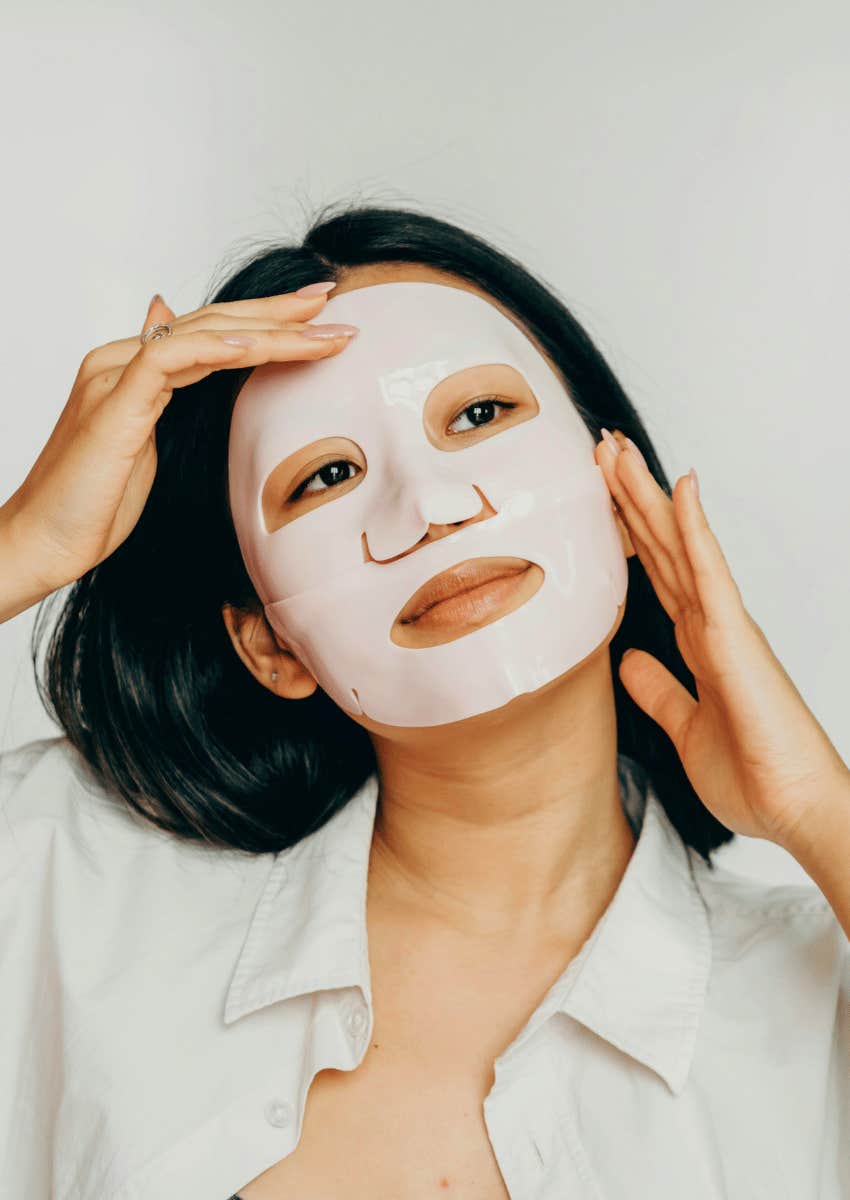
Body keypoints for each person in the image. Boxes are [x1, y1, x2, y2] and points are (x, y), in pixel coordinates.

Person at [0, 205, 847, 1200]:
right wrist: (25, 549)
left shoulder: (812, 1002)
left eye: (479, 416)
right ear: (270, 643)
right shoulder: (69, 879)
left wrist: (817, 809)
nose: (429, 508)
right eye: (327, 475)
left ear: (619, 494)